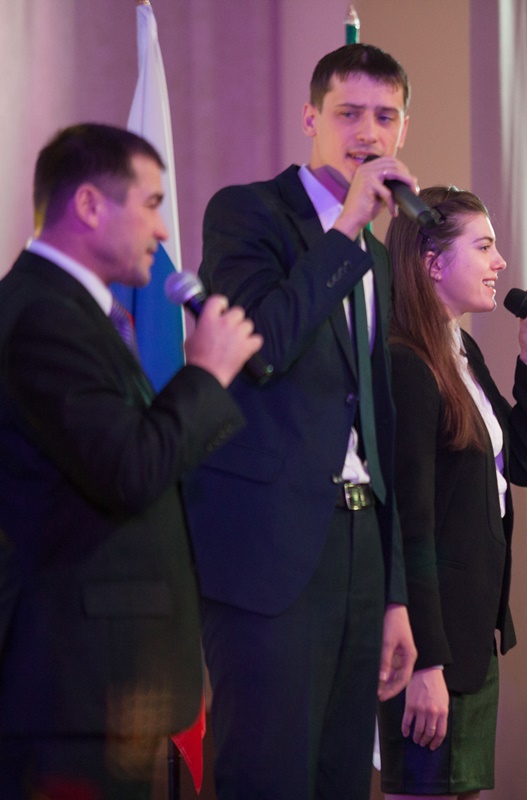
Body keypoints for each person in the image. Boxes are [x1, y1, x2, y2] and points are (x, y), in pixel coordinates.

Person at [181, 44, 418, 798]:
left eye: (385, 117)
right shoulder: (248, 212)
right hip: (268, 551)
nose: (368, 133)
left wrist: (395, 592)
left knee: (341, 775)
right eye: (349, 114)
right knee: (266, 772)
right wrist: (345, 228)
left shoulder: (374, 254)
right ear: (311, 119)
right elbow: (261, 348)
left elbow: (377, 427)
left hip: (358, 548)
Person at [0, 123, 261, 798]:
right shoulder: (43, 316)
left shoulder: (73, 311)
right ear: (90, 205)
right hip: (73, 684)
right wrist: (205, 374)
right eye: (150, 204)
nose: (164, 230)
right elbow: (127, 470)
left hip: (102, 686)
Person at [376, 187, 527, 798]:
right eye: (484, 246)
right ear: (433, 262)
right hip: (432, 644)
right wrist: (425, 662)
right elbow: (409, 524)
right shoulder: (406, 362)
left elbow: (523, 465)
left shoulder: (459, 349)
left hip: (470, 633)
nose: (500, 263)